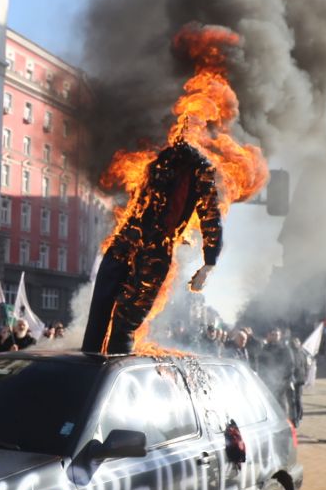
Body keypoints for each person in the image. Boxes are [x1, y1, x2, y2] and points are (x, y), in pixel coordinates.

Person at [82, 140, 222, 354]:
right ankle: (101, 374)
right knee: (118, 324)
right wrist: (208, 264)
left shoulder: (172, 163)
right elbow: (210, 217)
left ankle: (99, 372)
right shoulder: (164, 162)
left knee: (111, 322)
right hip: (143, 249)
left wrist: (209, 262)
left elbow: (209, 216)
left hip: (129, 244)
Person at [257, 329, 295, 419]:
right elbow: (260, 363)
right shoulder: (265, 348)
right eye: (273, 334)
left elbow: (290, 365)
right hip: (267, 382)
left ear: (280, 336)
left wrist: (284, 380)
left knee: (281, 404)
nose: (275, 336)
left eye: (276, 335)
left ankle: (283, 423)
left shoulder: (285, 349)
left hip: (281, 382)